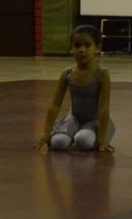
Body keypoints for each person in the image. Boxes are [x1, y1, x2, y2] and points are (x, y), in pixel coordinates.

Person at [36, 24, 115, 152]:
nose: (82, 50)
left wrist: (102, 139)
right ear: (71, 49)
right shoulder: (67, 73)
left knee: (83, 141)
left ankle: (82, 133)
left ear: (97, 48)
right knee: (58, 143)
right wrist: (46, 131)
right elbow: (55, 104)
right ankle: (64, 130)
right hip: (74, 118)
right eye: (77, 46)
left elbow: (103, 108)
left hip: (94, 120)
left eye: (87, 45)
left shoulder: (102, 74)